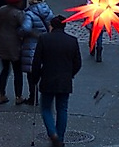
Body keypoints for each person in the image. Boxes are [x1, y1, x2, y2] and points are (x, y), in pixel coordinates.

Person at [31, 15, 83, 147]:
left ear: (51, 26)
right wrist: (70, 74)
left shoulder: (44, 39)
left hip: (48, 78)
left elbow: (36, 61)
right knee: (62, 109)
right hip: (64, 80)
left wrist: (35, 78)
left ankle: (52, 133)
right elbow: (77, 63)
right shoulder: (72, 41)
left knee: (46, 108)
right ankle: (60, 137)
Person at [0, 0, 26, 104]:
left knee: (5, 70)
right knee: (17, 71)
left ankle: (1, 94)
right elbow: (24, 28)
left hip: (2, 43)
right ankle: (18, 96)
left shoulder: (1, 10)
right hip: (15, 44)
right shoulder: (18, 13)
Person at [20, 0, 53, 104]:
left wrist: (21, 32)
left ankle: (32, 97)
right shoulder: (48, 10)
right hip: (46, 44)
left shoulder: (29, 14)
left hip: (32, 45)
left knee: (32, 74)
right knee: (44, 72)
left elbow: (26, 29)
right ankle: (45, 96)